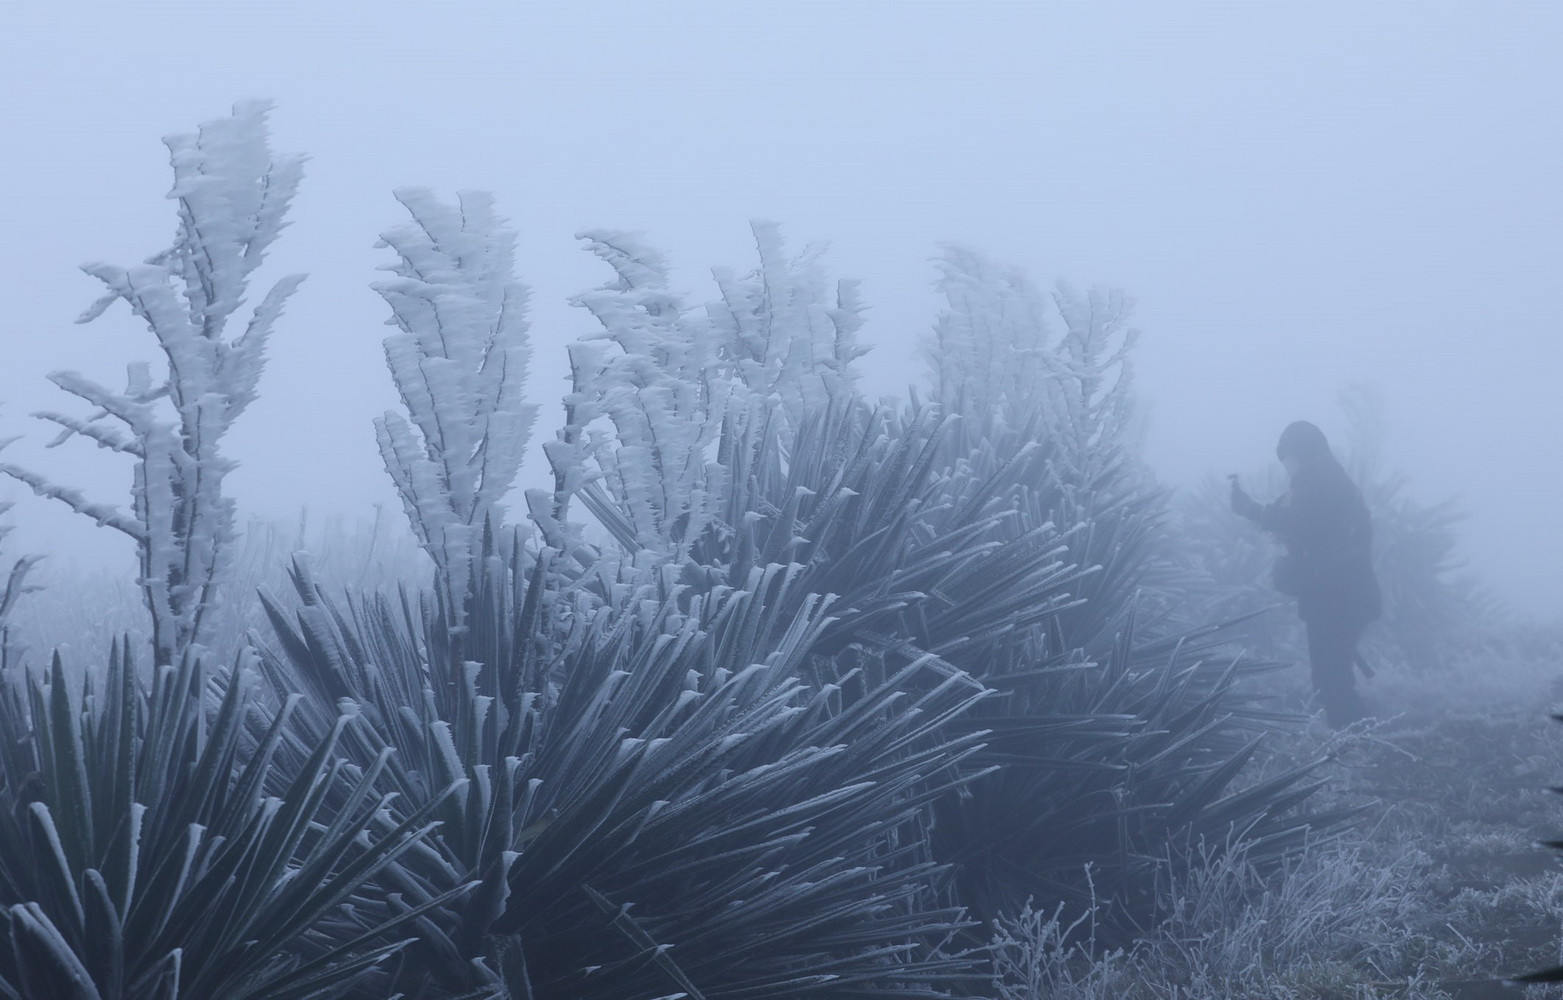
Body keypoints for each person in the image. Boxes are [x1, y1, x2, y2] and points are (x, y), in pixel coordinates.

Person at [1230, 421, 1381, 728]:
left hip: (1337, 598)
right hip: (1341, 596)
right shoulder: (1325, 480)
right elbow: (1295, 521)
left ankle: (1359, 746)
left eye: (1287, 459)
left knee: (1331, 681)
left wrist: (1248, 509)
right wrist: (1251, 508)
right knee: (1333, 677)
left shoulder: (1320, 481)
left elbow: (1296, 523)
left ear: (1301, 453)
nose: (1286, 468)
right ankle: (1359, 741)